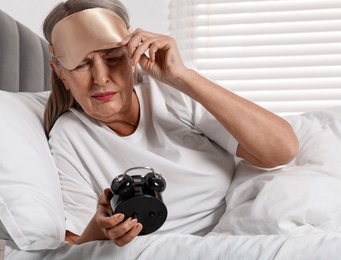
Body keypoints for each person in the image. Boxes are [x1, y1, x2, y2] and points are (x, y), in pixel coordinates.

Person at [43, 0, 299, 247]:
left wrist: (182, 76)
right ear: (61, 74)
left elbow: (281, 150)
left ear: (132, 53)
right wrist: (101, 231)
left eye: (112, 58)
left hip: (238, 234)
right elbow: (74, 248)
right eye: (83, 65)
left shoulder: (171, 92)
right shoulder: (69, 136)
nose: (100, 78)